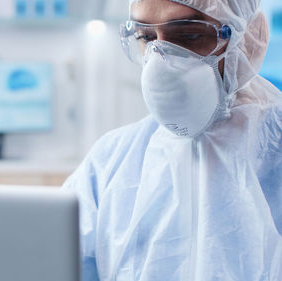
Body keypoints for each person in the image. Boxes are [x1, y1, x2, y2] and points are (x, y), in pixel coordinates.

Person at [63, 0, 282, 280]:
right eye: (146, 37)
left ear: (249, 37)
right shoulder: (111, 162)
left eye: (189, 36)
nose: (160, 59)